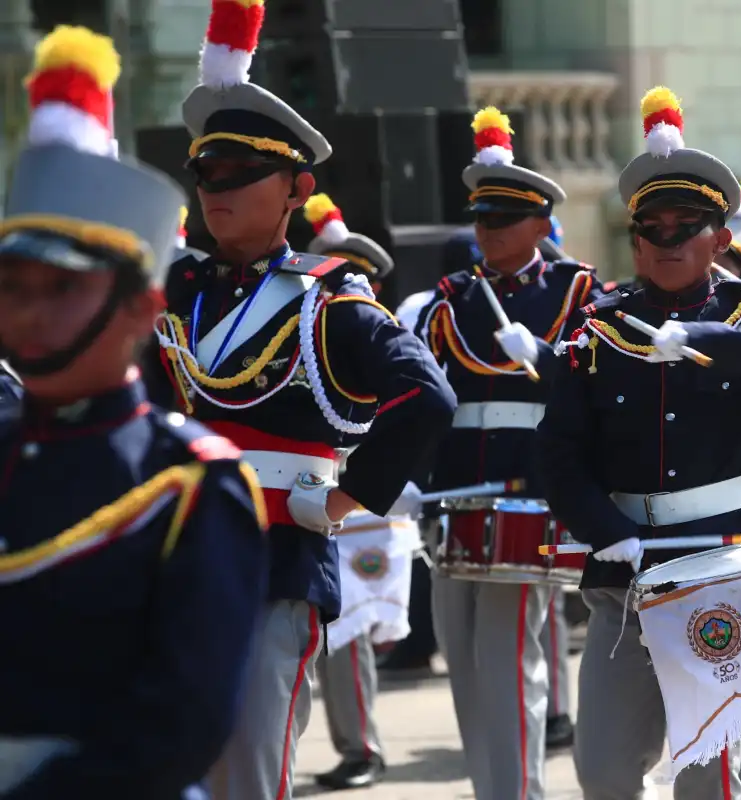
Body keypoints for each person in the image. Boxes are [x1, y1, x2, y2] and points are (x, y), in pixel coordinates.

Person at [144, 4, 458, 797]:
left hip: (273, 565)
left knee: (248, 773)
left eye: (240, 174)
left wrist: (347, 499)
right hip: (168, 561)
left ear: (296, 188)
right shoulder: (172, 289)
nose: (216, 190)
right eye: (206, 174)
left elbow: (426, 395)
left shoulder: (331, 301)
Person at [538, 85, 741, 800]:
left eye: (687, 226)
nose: (667, 240)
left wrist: (709, 340)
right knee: (606, 771)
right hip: (626, 571)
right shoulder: (596, 332)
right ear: (635, 238)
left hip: (723, 563)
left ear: (721, 238)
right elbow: (559, 454)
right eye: (653, 228)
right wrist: (604, 531)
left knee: (708, 775)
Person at [0, 24, 267, 797]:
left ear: (139, 308)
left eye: (62, 290)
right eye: (14, 289)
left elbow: (181, 722)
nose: (32, 314)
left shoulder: (190, 482)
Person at [413, 106, 602, 800]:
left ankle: (521, 793)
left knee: (509, 662)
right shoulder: (451, 300)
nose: (486, 231)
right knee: (463, 665)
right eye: (481, 219)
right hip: (453, 494)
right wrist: (407, 479)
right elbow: (424, 402)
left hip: (526, 494)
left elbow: (602, 383)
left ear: (537, 224)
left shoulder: (576, 290)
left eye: (502, 220)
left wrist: (548, 358)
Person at [295, 193, 400, 790]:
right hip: (310, 487)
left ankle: (361, 746)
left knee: (350, 626)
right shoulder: (300, 332)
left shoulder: (375, 335)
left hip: (357, 494)